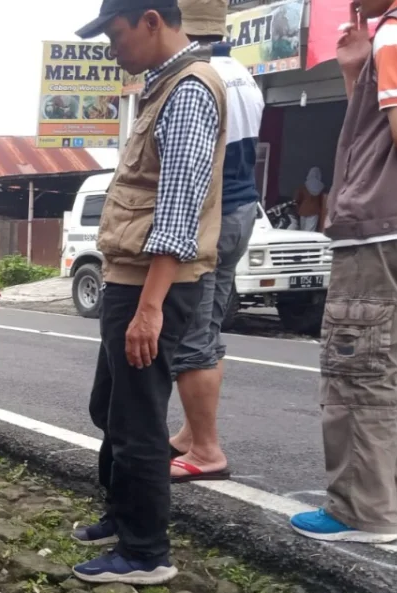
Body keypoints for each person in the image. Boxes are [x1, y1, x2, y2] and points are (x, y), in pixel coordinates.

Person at [71, 0, 227, 584]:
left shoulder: (188, 90)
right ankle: (123, 514)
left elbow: (179, 209)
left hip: (152, 282)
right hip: (129, 277)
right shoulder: (162, 87)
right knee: (109, 407)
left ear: (152, 21)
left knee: (137, 420)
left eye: (116, 33)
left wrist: (151, 308)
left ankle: (146, 552)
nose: (113, 48)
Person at [290, 0, 397, 544]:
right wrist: (353, 73)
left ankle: (361, 511)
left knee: (357, 366)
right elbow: (380, 136)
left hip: (380, 228)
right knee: (382, 365)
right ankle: (389, 498)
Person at [168, 0, 265, 483]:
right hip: (243, 209)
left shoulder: (199, 78)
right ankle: (191, 433)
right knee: (208, 326)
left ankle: (205, 448)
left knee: (193, 333)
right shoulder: (242, 74)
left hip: (215, 212)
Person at [293, 167, 328, 232]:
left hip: (303, 210)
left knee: (302, 230)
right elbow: (323, 201)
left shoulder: (304, 185)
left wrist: (298, 208)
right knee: (310, 231)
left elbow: (297, 198)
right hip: (314, 211)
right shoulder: (322, 187)